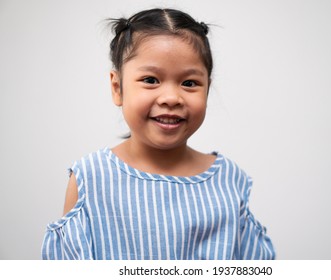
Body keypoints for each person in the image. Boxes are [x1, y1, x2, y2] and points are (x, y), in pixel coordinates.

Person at [41, 8, 275, 260]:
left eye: (189, 83)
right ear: (117, 87)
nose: (171, 98)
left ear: (208, 88)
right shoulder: (90, 179)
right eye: (151, 80)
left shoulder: (230, 181)